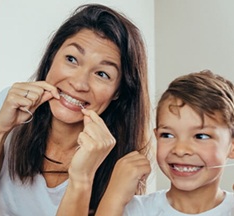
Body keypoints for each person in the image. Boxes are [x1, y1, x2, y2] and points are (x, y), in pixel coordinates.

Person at [0, 3, 152, 216]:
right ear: (52, 57)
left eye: (102, 74)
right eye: (71, 59)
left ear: (118, 92)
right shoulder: (11, 105)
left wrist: (83, 176)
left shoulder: (123, 166)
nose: (79, 84)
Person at [96, 70, 234, 216]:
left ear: (232, 146)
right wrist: (114, 196)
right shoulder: (134, 210)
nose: (180, 150)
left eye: (201, 136)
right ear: (156, 136)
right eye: (167, 135)